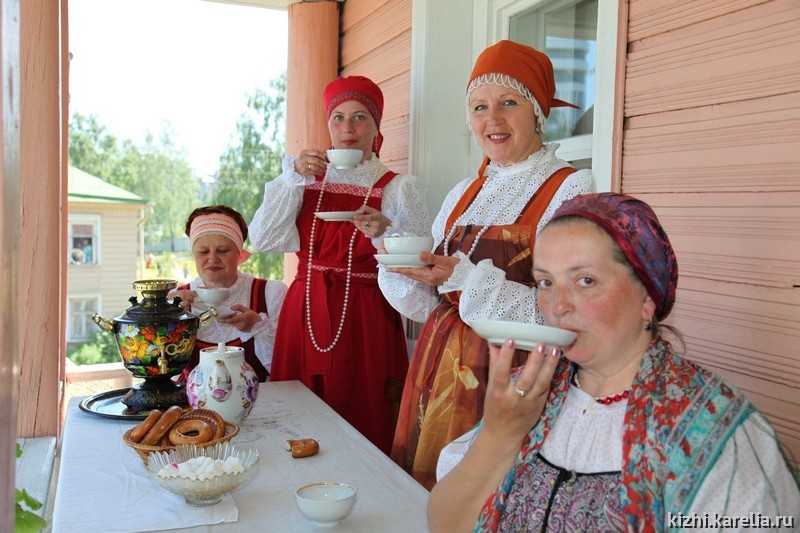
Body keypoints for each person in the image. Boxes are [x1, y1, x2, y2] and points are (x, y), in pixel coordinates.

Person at [429, 193, 800, 531]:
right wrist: (499, 433)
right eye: (545, 282)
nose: (557, 305)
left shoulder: (716, 429)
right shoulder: (525, 394)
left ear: (646, 298)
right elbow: (445, 523)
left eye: (586, 280)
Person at [377, 40, 593, 488]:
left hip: (513, 384)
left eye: (508, 103)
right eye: (479, 107)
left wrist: (460, 277)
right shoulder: (463, 193)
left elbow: (562, 312)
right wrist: (406, 269)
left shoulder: (571, 187)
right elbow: (431, 304)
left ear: (537, 111)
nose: (491, 119)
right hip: (437, 377)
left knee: (489, 497)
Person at [248, 75, 430, 454]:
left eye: (360, 117)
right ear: (328, 124)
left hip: (367, 315)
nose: (348, 129)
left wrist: (385, 232)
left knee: (367, 415)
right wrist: (292, 177)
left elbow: (419, 271)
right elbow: (263, 239)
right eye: (338, 117)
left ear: (377, 126)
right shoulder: (305, 179)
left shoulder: (398, 187)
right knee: (297, 416)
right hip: (307, 310)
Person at [171, 205, 287, 383]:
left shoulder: (269, 293)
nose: (212, 259)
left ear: (239, 253)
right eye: (203, 251)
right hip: (194, 407)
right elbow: (159, 366)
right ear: (193, 253)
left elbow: (287, 365)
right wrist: (171, 319)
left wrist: (258, 327)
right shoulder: (178, 298)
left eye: (223, 251)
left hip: (260, 403)